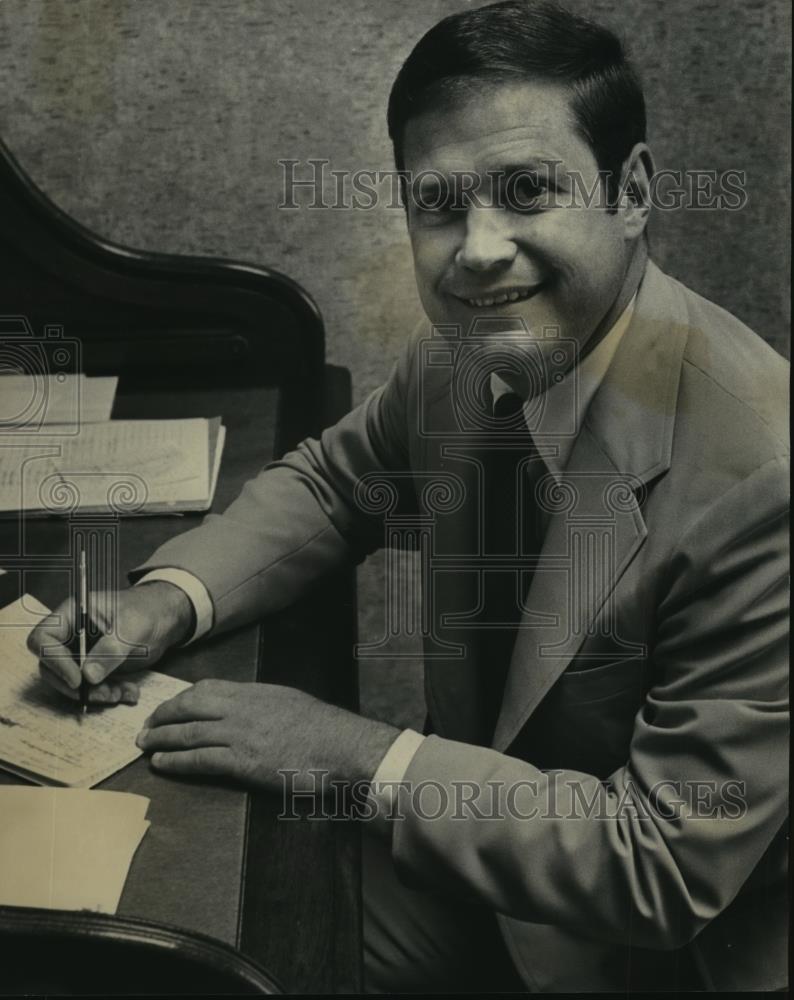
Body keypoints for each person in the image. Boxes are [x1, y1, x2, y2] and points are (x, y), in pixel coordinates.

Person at [30, 0, 788, 992]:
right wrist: (164, 599)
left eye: (525, 191)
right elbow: (338, 480)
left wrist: (357, 754)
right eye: (437, 204)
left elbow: (656, 864)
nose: (476, 250)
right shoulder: (466, 352)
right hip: (482, 861)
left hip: (650, 956)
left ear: (630, 189)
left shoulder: (764, 478)